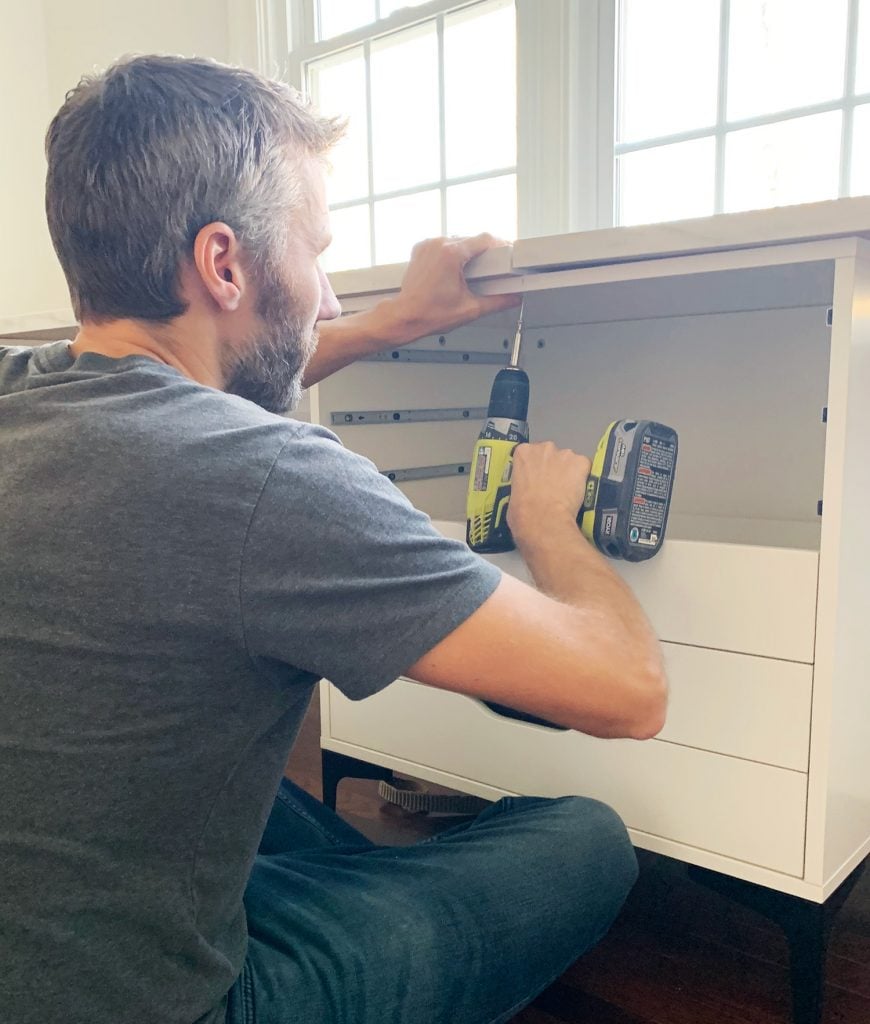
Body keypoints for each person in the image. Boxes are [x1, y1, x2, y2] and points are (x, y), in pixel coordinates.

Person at [0, 55, 667, 1024]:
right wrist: (546, 525)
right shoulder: (265, 478)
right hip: (162, 1006)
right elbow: (628, 690)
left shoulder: (21, 392)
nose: (331, 300)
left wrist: (401, 319)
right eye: (314, 253)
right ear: (224, 262)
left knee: (242, 786)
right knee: (585, 839)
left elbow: (201, 375)